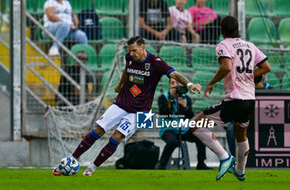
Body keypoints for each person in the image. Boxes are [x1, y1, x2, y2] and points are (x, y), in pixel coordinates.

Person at [52, 36, 201, 176]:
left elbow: (174, 74)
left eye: (134, 50)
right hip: (122, 102)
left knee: (117, 136)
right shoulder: (129, 57)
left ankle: (92, 168)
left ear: (143, 47)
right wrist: (119, 84)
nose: (131, 53)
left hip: (141, 111)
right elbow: (126, 70)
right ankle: (72, 159)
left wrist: (189, 84)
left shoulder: (156, 62)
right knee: (97, 130)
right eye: (129, 50)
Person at [190, 16, 271, 181]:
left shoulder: (223, 45)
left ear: (222, 30)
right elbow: (266, 67)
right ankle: (240, 172)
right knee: (241, 135)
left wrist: (211, 82)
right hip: (249, 100)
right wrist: (249, 76)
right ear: (238, 29)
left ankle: (225, 157)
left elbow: (226, 66)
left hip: (235, 99)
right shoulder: (250, 46)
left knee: (196, 125)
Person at [156, 78, 210, 170]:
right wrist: (171, 99)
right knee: (173, 142)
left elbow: (190, 116)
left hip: (184, 129)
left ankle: (201, 163)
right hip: (168, 129)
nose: (175, 85)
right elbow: (165, 114)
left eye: (177, 83)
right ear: (169, 85)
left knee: (201, 137)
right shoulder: (163, 98)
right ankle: (161, 164)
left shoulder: (185, 98)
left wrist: (184, 106)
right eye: (173, 83)